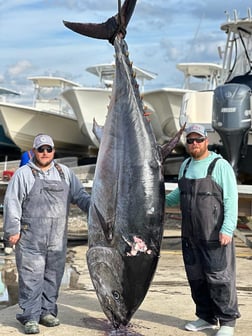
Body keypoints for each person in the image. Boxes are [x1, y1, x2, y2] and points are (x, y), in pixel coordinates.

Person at [3, 134, 91, 335]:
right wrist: (12, 231)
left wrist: (98, 211)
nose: (44, 153)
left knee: (53, 277)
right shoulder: (23, 174)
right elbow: (12, 203)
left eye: (48, 149)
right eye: (40, 149)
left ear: (53, 151)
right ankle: (31, 317)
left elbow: (81, 197)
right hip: (30, 237)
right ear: (33, 151)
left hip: (57, 239)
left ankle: (47, 312)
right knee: (31, 278)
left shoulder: (65, 173)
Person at [166, 124, 240, 336]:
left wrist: (227, 228)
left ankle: (227, 321)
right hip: (190, 236)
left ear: (206, 141)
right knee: (196, 277)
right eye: (190, 141)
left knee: (220, 278)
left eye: (198, 140)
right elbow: (177, 195)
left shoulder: (219, 165)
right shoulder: (186, 165)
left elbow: (231, 199)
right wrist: (156, 198)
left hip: (215, 235)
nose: (194, 144)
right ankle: (206, 317)